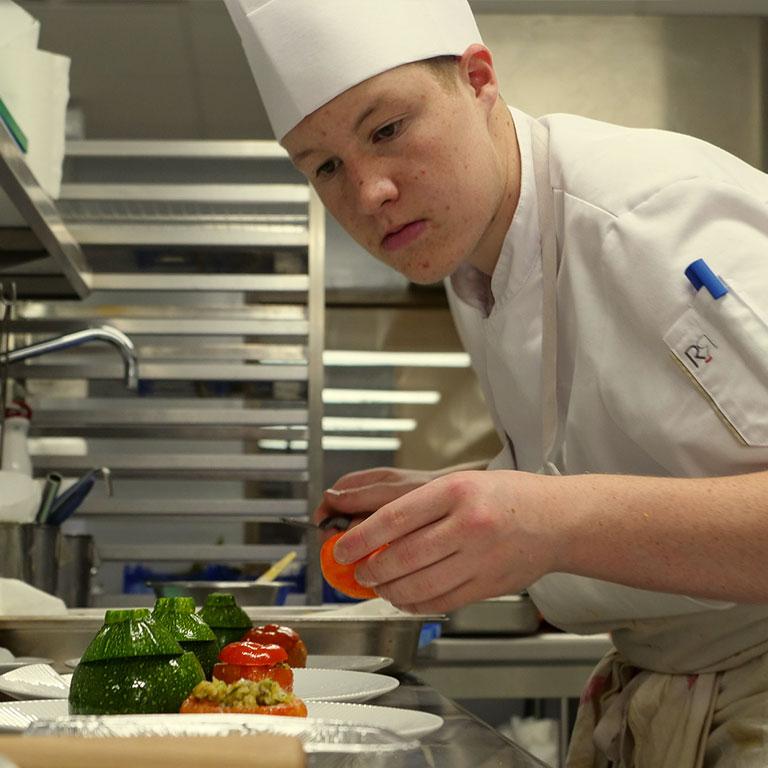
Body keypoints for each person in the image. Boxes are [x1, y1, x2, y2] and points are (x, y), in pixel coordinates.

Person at [224, 1, 768, 765]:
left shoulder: (649, 216)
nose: (368, 193)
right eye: (326, 167)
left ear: (479, 79)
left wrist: (549, 521)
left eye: (388, 129)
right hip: (672, 682)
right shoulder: (476, 256)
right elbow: (671, 453)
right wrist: (466, 497)